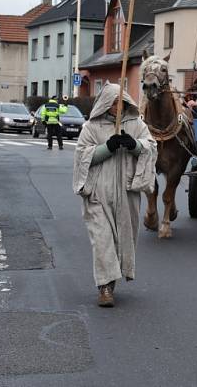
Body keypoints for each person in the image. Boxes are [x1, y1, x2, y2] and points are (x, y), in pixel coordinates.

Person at [72, 83, 158, 307]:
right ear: (105, 104)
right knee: (102, 240)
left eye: (121, 102)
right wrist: (107, 147)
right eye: (113, 102)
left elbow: (151, 147)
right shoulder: (91, 127)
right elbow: (82, 157)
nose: (118, 106)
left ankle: (113, 277)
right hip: (98, 193)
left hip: (127, 193)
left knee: (121, 239)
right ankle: (105, 287)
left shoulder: (136, 124)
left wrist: (135, 145)